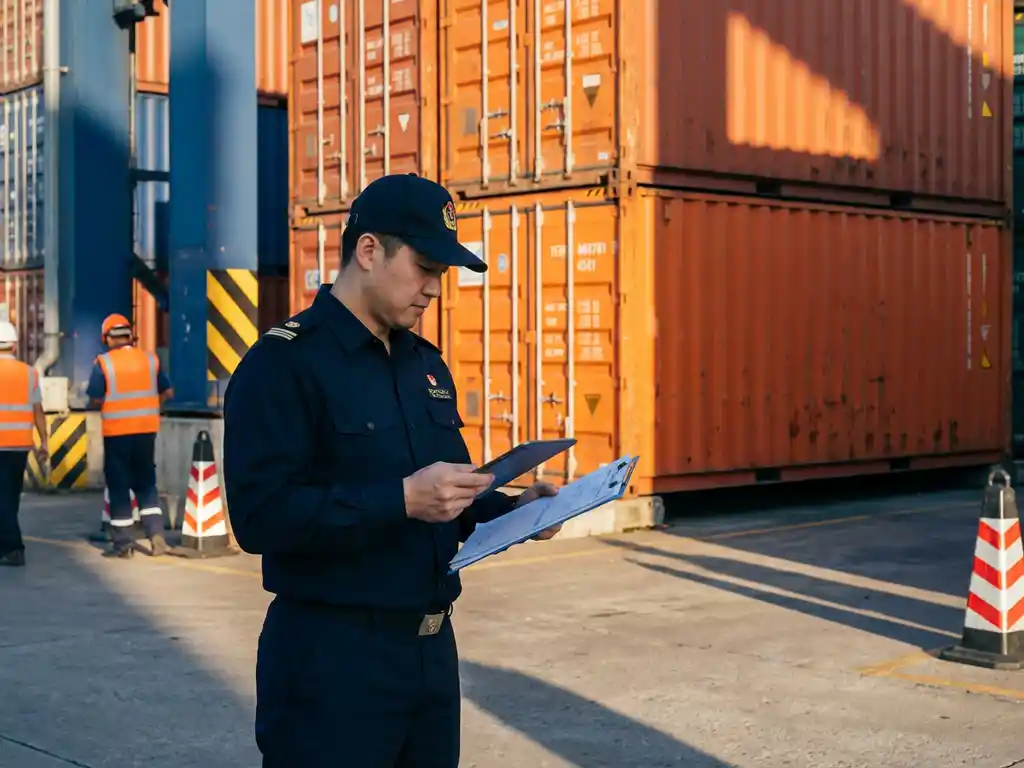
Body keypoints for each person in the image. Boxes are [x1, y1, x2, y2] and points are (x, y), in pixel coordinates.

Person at [222, 173, 564, 767]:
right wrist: (400, 500)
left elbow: (447, 494)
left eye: (442, 274)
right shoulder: (284, 364)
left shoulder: (423, 365)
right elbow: (260, 517)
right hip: (332, 662)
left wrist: (515, 511)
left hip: (430, 657)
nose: (433, 289)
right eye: (424, 268)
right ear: (369, 250)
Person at [87, 313, 174, 559]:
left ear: (107, 338)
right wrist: (150, 407)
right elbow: (167, 392)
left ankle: (124, 544)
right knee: (146, 483)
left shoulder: (104, 363)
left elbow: (95, 398)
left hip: (117, 433)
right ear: (129, 335)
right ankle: (156, 535)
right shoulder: (150, 359)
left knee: (119, 486)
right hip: (146, 431)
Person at [0, 320, 48, 566]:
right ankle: (7, 544)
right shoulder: (30, 373)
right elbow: (38, 411)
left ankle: (13, 548)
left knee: (2, 499)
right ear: (15, 345)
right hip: (20, 445)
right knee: (10, 495)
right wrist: (44, 442)